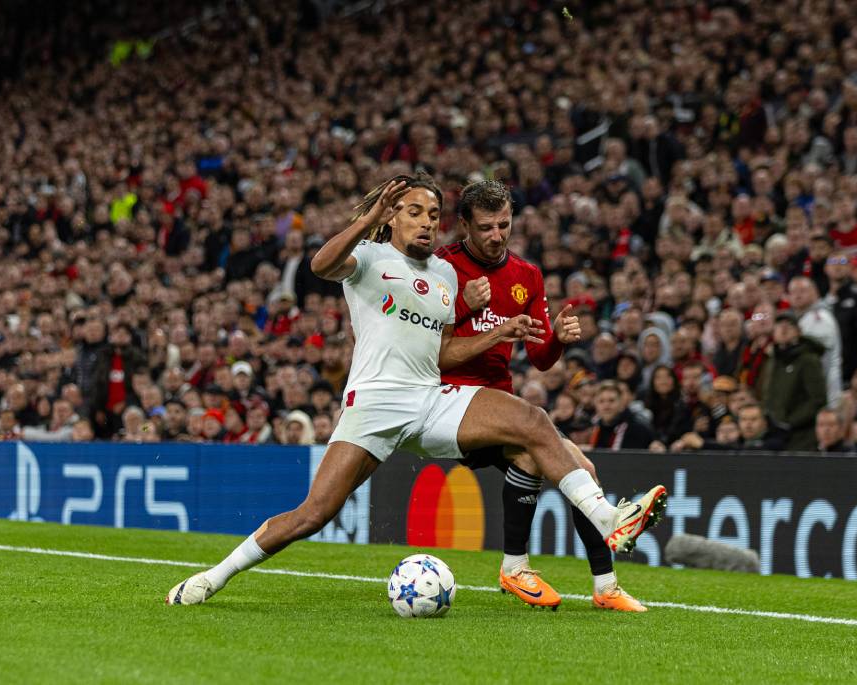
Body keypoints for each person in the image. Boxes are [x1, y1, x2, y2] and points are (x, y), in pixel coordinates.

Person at [166, 174, 667, 606]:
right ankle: (214, 577)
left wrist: (495, 333)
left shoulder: (446, 274)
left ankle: (607, 519)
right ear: (392, 218)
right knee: (313, 514)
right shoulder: (367, 257)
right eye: (413, 212)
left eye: (432, 213)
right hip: (374, 406)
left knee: (533, 424)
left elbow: (444, 354)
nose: (427, 222)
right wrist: (367, 221)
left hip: (431, 398)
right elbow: (320, 266)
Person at [437, 180, 644, 612]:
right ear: (464, 226)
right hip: (448, 401)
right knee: (534, 450)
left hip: (499, 401)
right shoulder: (441, 266)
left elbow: (540, 358)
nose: (497, 236)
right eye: (487, 227)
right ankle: (514, 567)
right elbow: (425, 346)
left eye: (504, 225)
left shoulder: (526, 276)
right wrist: (462, 307)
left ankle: (605, 587)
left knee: (581, 466)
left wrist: (559, 341)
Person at [764, 312, 828, 451]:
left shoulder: (808, 360)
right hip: (775, 433)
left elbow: (818, 399)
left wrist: (790, 422)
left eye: (789, 326)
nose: (783, 329)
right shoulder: (773, 359)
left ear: (799, 332)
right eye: (779, 326)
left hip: (801, 436)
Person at [788, 276, 842, 406]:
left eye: (802, 291)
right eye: (793, 292)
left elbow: (816, 359)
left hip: (824, 388)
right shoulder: (801, 319)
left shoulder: (819, 318)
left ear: (815, 293)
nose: (798, 295)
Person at [823, 250, 857, 383]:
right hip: (826, 370)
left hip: (850, 371)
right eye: (833, 262)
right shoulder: (821, 301)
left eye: (843, 262)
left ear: (850, 268)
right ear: (825, 268)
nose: (837, 265)